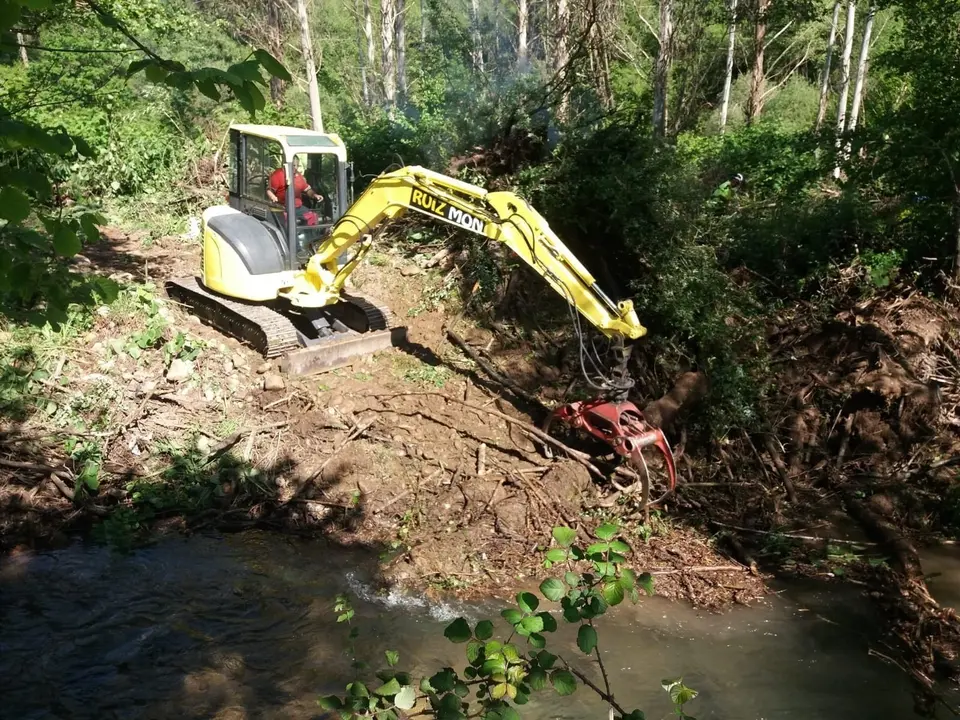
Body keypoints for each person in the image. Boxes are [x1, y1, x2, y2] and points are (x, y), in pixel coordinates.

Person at [267, 156, 323, 225]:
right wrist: (273, 197)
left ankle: (307, 234)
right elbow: (269, 190)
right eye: (293, 165)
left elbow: (307, 189)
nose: (296, 168)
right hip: (282, 208)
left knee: (313, 217)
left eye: (297, 165)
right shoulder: (277, 175)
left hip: (297, 208)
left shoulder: (299, 175)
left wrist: (315, 195)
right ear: (286, 164)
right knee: (287, 223)